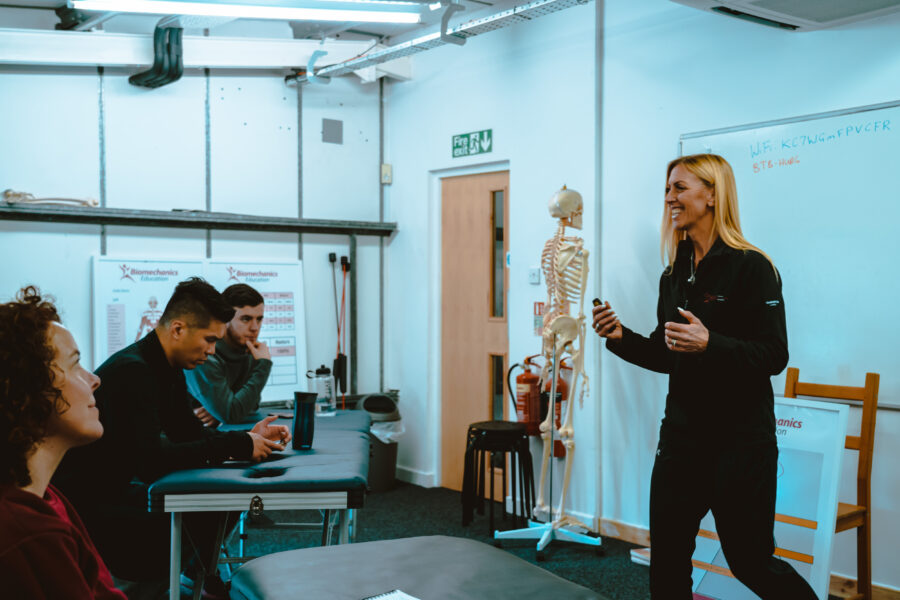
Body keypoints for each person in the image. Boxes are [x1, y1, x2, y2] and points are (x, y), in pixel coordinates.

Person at [592, 154, 817, 599]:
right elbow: (666, 353)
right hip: (681, 440)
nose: (669, 198)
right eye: (667, 189)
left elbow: (774, 355)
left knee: (750, 562)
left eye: (680, 188)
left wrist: (712, 343)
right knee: (669, 560)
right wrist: (620, 337)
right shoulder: (674, 274)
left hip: (740, 443)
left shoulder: (753, 267)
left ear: (712, 194)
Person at [54, 277, 290, 599]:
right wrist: (239, 444)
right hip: (92, 507)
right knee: (211, 503)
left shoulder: (166, 365)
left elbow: (187, 433)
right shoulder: (134, 371)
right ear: (178, 329)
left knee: (223, 500)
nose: (211, 351)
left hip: (116, 489)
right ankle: (161, 583)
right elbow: (153, 461)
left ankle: (189, 579)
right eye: (208, 340)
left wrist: (247, 436)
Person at [0, 286, 126, 599]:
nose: (94, 379)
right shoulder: (27, 532)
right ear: (28, 388)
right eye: (74, 364)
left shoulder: (46, 498)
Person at [186, 283, 272, 426]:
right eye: (246, 319)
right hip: (185, 438)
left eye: (259, 319)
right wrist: (263, 365)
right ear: (225, 319)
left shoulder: (250, 349)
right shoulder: (206, 353)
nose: (255, 328)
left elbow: (252, 405)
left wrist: (220, 409)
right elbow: (231, 414)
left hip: (225, 434)